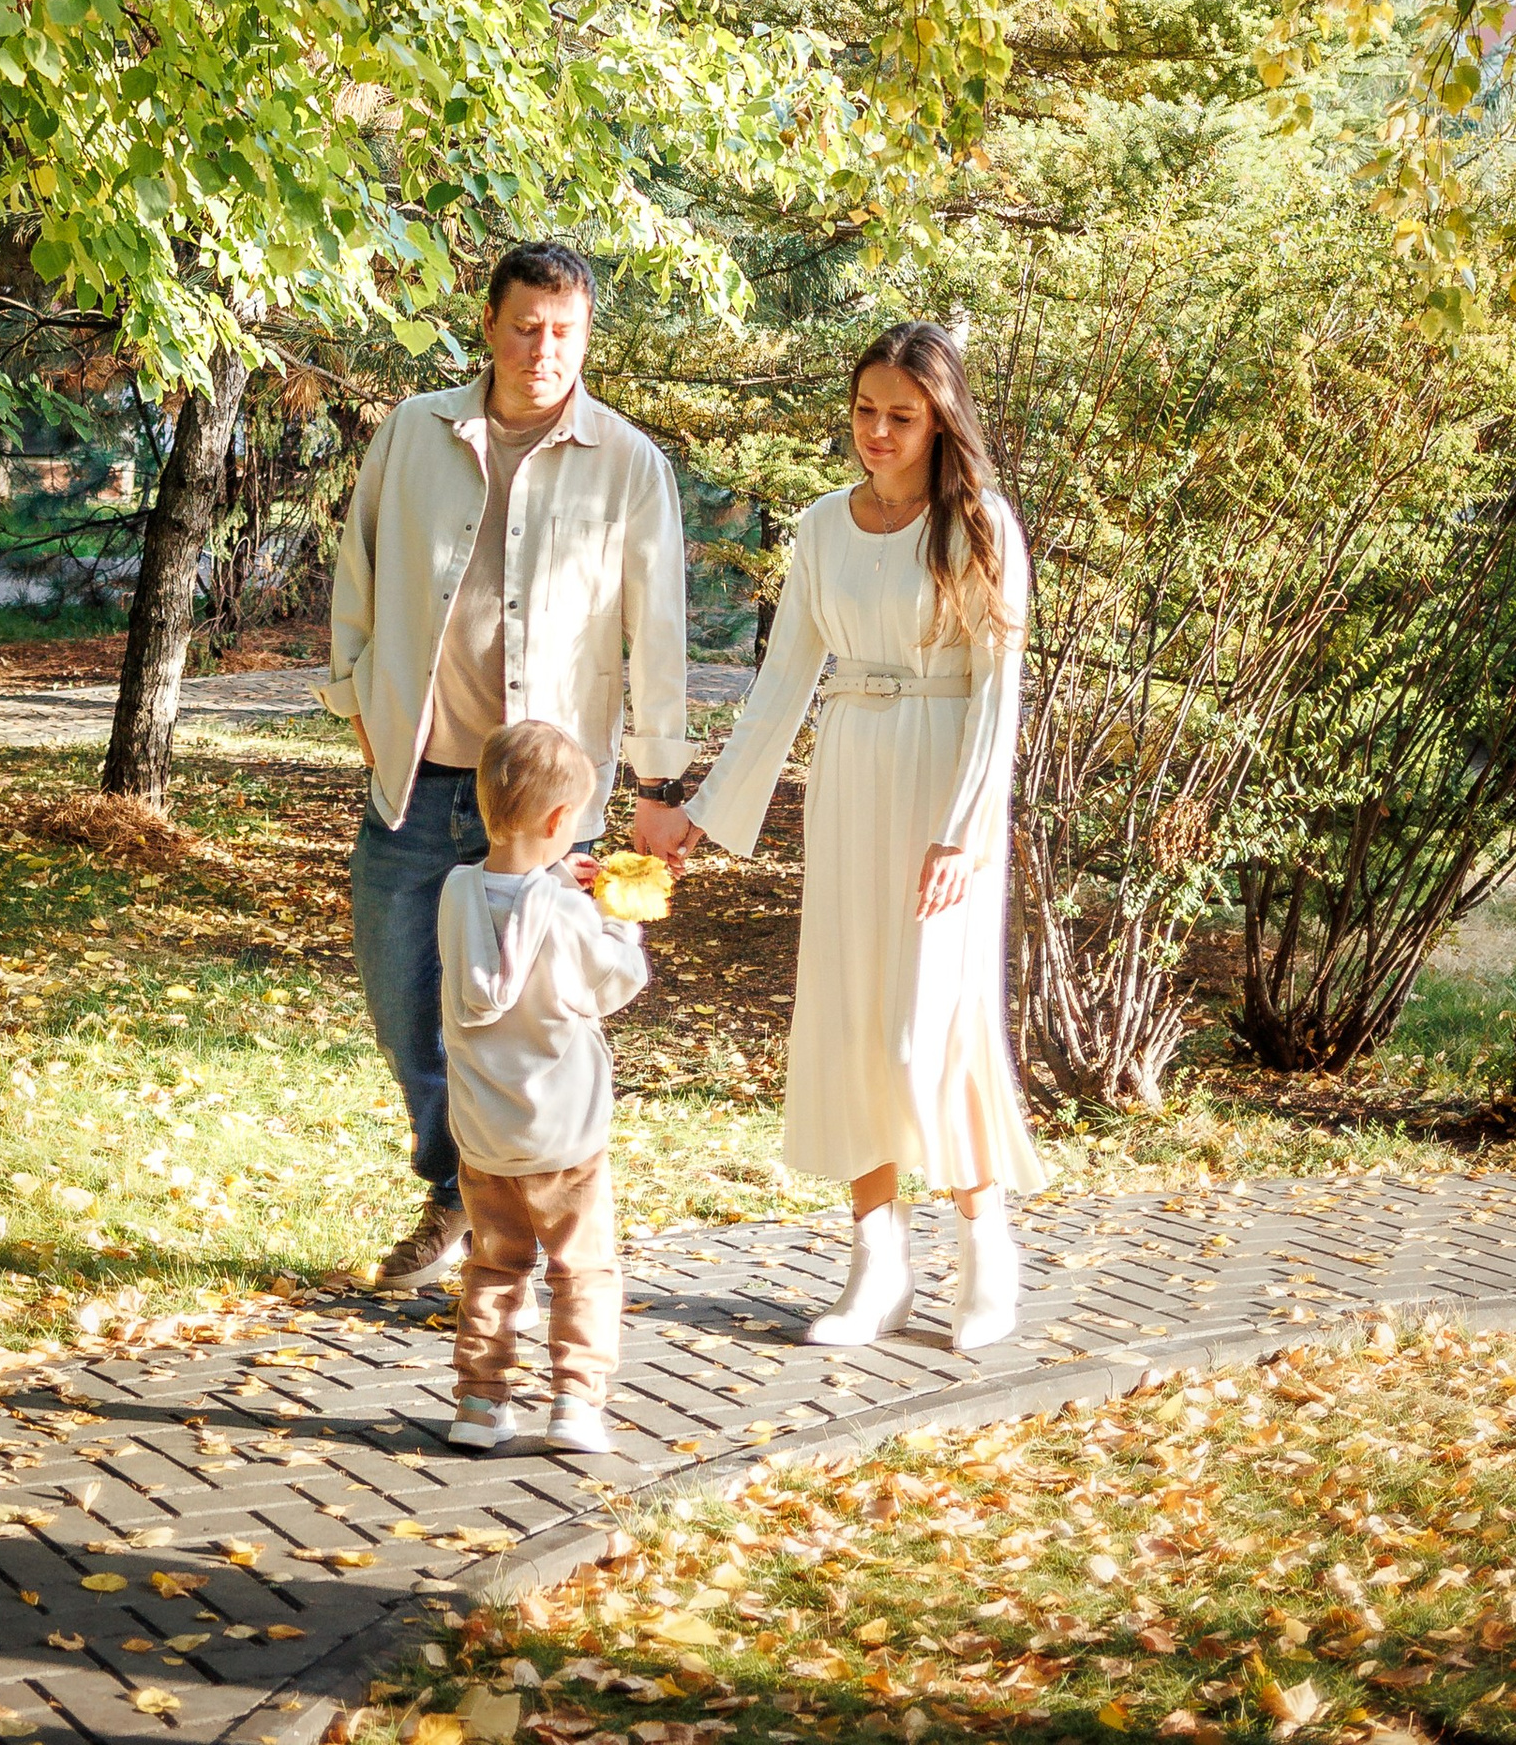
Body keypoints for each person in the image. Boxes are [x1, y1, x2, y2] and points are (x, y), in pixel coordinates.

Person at [645, 318, 1044, 1350]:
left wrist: (963, 834)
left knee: (933, 1023)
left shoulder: (981, 524)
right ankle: (877, 1268)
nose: (876, 431)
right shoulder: (821, 528)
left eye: (900, 416)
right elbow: (783, 687)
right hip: (854, 778)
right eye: (864, 411)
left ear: (939, 418)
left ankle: (985, 1255)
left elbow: (1000, 696)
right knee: (854, 1015)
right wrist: (706, 813)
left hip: (946, 792)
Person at [323, 240, 694, 1294]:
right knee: (407, 1020)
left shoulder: (627, 463)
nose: (543, 350)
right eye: (525, 326)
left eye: (564, 332)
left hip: (541, 819)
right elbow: (357, 578)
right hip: (415, 779)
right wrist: (358, 704)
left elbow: (657, 638)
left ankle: (501, 1227)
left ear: (586, 337)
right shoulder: (412, 433)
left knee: (524, 1034)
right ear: (486, 325)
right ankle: (458, 1191)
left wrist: (659, 788)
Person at [436, 714, 647, 1454]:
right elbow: (615, 983)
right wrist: (618, 919)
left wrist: (559, 883)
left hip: (485, 1136)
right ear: (563, 820)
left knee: (495, 1266)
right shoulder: (566, 914)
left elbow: (511, 906)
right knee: (581, 1267)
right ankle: (577, 1405)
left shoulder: (455, 891)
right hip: (565, 1136)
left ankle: (480, 1403)